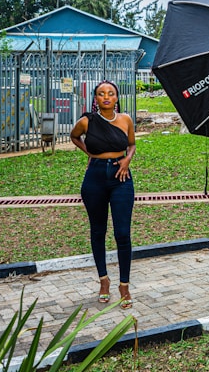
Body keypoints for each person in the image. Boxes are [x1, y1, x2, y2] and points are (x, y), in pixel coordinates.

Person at [70, 80, 137, 309]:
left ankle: (124, 286)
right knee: (98, 230)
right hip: (95, 178)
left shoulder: (125, 120)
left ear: (117, 98)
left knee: (123, 233)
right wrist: (89, 152)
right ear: (95, 98)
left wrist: (127, 160)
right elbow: (74, 136)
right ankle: (104, 281)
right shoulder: (86, 121)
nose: (106, 97)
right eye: (101, 94)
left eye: (111, 93)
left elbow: (131, 145)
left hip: (121, 177)